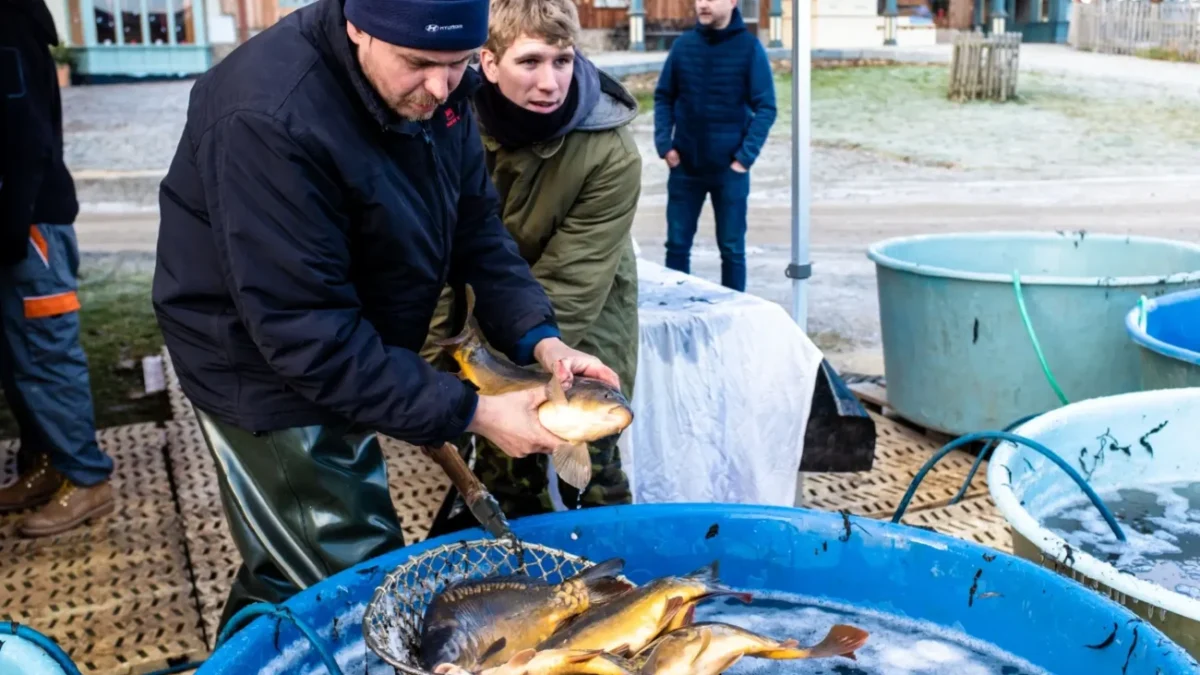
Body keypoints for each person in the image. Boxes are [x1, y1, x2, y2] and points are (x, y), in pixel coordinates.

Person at [151, 0, 621, 632]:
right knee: (354, 573)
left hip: (348, 338)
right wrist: (475, 413)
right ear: (357, 25)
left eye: (459, 64)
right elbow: (308, 335)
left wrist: (542, 341)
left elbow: (476, 228)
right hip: (262, 365)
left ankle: (247, 656)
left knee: (288, 567)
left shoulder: (441, 88)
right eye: (418, 63)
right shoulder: (268, 117)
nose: (441, 87)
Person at [423, 0, 641, 533]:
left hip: (580, 334)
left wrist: (506, 379)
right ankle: (516, 561)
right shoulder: (445, 124)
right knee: (505, 478)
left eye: (562, 60)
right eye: (530, 61)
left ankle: (615, 564)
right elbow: (434, 253)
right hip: (478, 324)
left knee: (594, 477)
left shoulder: (611, 152)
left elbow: (573, 282)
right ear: (488, 62)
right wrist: (435, 369)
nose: (550, 82)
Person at [0, 0, 116, 537]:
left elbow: (27, 139)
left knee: (45, 354)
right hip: (18, 224)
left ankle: (87, 479)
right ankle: (47, 464)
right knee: (18, 357)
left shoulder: (7, 23)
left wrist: (11, 227)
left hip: (28, 227)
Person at [652, 0, 776, 292]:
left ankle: (733, 313)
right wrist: (665, 145)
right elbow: (664, 97)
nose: (703, 4)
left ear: (732, 2)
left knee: (732, 250)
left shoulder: (749, 48)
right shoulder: (683, 47)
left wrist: (744, 159)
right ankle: (676, 309)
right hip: (685, 167)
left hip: (729, 170)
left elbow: (766, 107)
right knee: (677, 246)